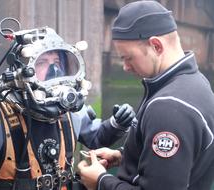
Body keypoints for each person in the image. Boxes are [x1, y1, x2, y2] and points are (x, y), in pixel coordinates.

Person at [0, 29, 136, 190]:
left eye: (57, 63)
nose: (54, 70)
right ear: (22, 71)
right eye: (43, 63)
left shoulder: (70, 113)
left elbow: (95, 139)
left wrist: (117, 124)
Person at [77, 1, 214, 190]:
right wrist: (123, 155)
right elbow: (181, 160)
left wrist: (101, 181)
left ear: (156, 46)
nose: (125, 67)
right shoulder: (196, 83)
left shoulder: (169, 107)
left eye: (128, 57)